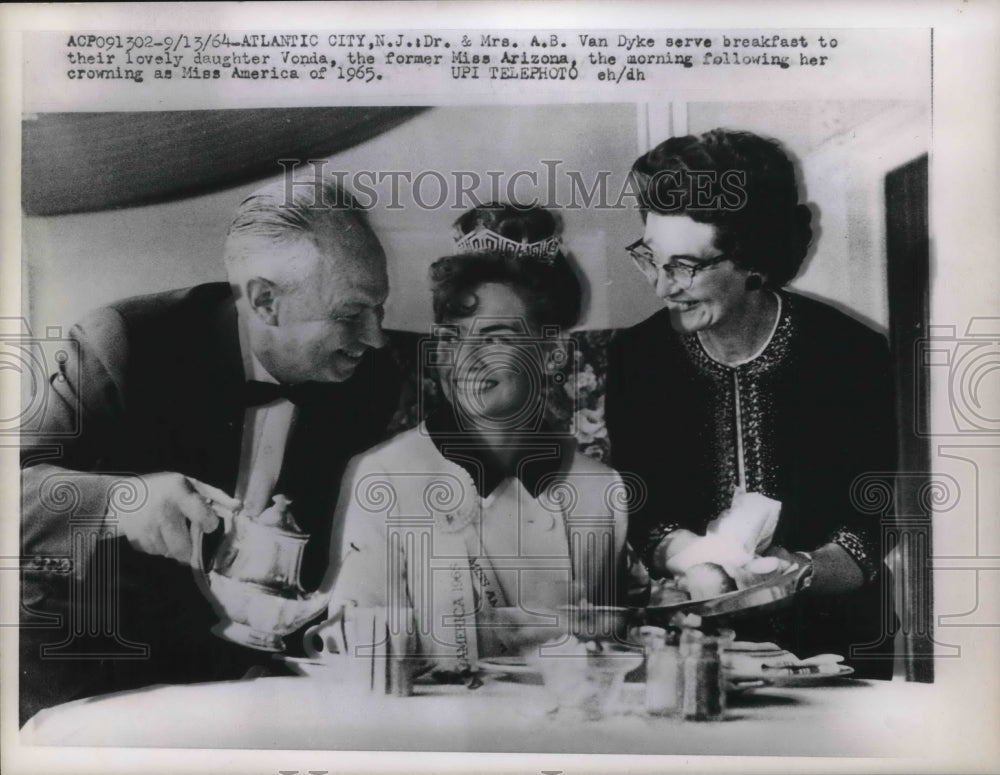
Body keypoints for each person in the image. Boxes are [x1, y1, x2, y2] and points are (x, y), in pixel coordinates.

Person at [19, 178, 401, 723]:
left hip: (236, 679)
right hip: (81, 666)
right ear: (265, 300)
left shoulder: (369, 378)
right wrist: (121, 502)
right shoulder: (125, 342)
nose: (377, 337)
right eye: (350, 314)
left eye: (379, 309)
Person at [605, 129, 897, 677]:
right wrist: (697, 560)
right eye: (650, 258)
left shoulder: (852, 354)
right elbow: (644, 504)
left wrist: (801, 570)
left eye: (686, 266)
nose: (662, 287)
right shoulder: (638, 357)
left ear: (753, 259)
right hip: (691, 652)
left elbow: (878, 517)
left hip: (838, 652)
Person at [323, 205, 627, 682]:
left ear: (551, 354)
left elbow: (611, 656)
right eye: (452, 337)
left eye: (495, 337)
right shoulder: (387, 477)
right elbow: (357, 650)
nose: (464, 359)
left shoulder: (601, 491)